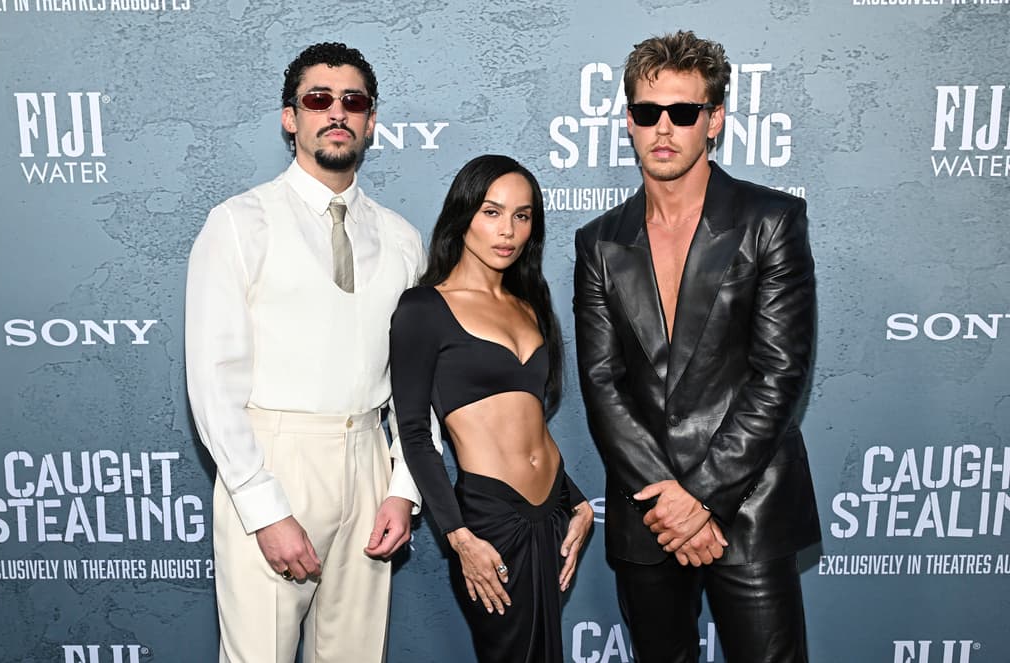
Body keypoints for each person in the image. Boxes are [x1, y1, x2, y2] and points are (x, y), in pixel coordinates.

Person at [573, 31, 821, 663]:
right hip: (647, 511)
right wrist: (669, 501)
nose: (663, 128)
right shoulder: (599, 242)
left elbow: (779, 375)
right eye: (646, 112)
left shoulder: (772, 221)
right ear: (628, 121)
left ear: (713, 121)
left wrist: (701, 498)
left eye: (683, 113)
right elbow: (602, 383)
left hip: (749, 506)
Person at [185, 42, 431, 663]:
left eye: (353, 101)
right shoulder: (239, 224)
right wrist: (263, 509)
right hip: (275, 459)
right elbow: (213, 384)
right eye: (318, 99)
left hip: (370, 462)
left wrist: (405, 487)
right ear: (290, 117)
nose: (336, 113)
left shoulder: (402, 239)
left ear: (372, 121)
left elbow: (418, 382)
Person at [390, 154, 594, 663]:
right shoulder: (422, 309)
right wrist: (459, 537)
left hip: (551, 513)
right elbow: (415, 434)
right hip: (489, 522)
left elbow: (531, 426)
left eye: (522, 216)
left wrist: (578, 500)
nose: (508, 231)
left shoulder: (530, 303)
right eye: (492, 212)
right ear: (463, 216)